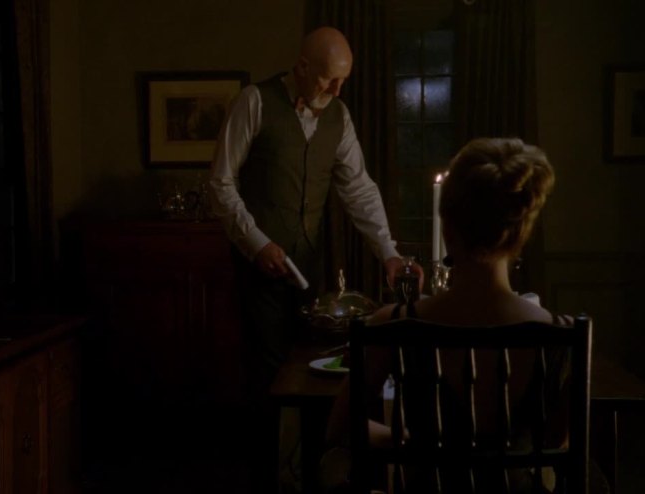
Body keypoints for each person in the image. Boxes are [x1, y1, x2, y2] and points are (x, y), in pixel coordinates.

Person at [320, 137, 592, 493]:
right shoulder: (563, 333)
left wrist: (411, 442)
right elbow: (556, 441)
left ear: (447, 228)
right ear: (521, 234)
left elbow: (342, 430)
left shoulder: (393, 323)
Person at [208, 26, 421, 398]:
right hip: (258, 268)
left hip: (309, 263)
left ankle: (307, 438)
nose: (337, 91)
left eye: (343, 81)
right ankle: (268, 438)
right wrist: (257, 243)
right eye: (329, 79)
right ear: (302, 66)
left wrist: (389, 253)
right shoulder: (254, 101)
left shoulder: (339, 115)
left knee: (312, 364)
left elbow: (358, 188)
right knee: (267, 371)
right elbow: (220, 183)